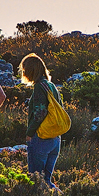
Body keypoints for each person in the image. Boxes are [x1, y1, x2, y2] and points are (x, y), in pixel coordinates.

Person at [20, 53, 66, 188]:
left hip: (41, 138)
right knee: (46, 180)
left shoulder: (40, 87)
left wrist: (29, 133)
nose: (23, 72)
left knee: (36, 181)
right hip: (55, 139)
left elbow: (40, 113)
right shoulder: (51, 86)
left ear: (30, 71)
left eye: (24, 70)